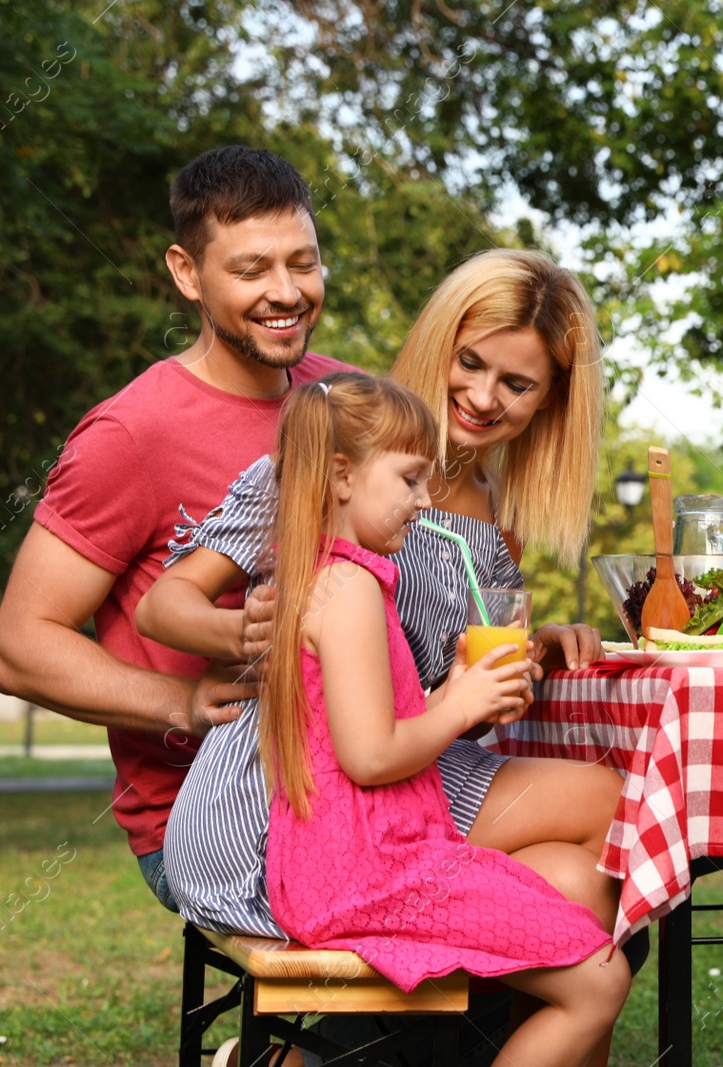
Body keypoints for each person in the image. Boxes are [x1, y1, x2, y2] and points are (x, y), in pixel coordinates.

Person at [138, 249, 629, 1065]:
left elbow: (447, 666)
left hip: (409, 766)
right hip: (296, 795)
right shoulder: (339, 457)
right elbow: (167, 605)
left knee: (582, 883)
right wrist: (250, 630)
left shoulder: (481, 515)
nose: (481, 397)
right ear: (441, 342)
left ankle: (321, 1057)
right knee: (612, 804)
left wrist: (533, 648)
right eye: (470, 363)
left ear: (552, 401)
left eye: (518, 384)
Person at [0, 145, 349, 907]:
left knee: (567, 876)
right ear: (187, 273)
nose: (287, 292)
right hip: (205, 819)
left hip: (354, 782)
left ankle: (302, 1037)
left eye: (304, 262)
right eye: (252, 270)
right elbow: (20, 647)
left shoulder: (349, 401)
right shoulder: (131, 433)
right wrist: (180, 703)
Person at [260, 373, 628, 1067]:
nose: (426, 501)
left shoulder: (323, 575)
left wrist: (452, 691)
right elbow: (371, 756)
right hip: (375, 875)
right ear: (342, 476)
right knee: (600, 982)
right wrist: (459, 707)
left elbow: (365, 731)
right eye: (409, 479)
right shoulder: (351, 591)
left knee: (575, 915)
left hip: (346, 869)